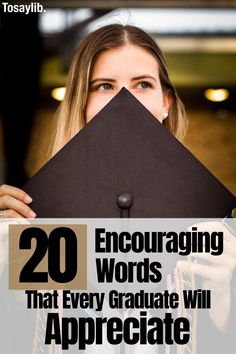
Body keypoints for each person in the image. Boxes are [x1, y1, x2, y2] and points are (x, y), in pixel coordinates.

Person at [0, 24, 235, 351]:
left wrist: (226, 306)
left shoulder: (212, 230)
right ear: (81, 102)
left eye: (142, 84)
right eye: (104, 86)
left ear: (165, 102)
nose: (125, 100)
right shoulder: (43, 222)